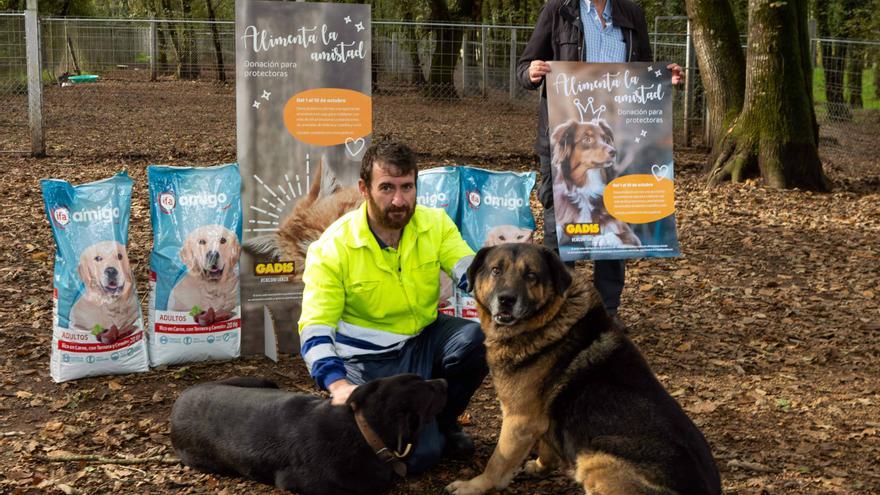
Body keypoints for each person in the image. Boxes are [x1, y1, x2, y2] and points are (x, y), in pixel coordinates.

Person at [297, 141, 488, 474]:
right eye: (387, 188)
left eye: (407, 187)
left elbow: (471, 272)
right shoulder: (332, 248)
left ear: (416, 186)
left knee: (479, 340)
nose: (399, 200)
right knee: (416, 458)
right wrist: (338, 385)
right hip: (369, 358)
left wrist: (506, 288)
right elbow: (315, 328)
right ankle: (426, 432)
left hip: (424, 336)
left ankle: (442, 421)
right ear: (364, 189)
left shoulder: (434, 224)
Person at [516, 0, 682, 318]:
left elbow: (643, 73)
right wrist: (533, 72)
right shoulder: (558, 11)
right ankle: (559, 312)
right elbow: (523, 68)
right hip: (564, 144)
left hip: (616, 138)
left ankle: (607, 313)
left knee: (614, 224)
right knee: (558, 232)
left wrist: (665, 78)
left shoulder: (631, 14)